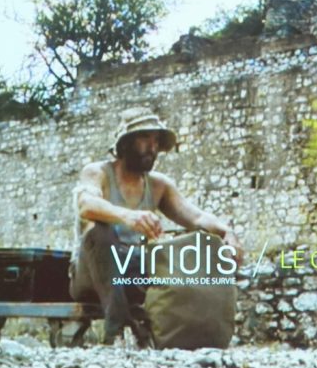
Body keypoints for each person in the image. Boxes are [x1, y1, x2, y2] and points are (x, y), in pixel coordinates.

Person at [70, 108, 243, 347]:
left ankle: (193, 333)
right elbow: (86, 204)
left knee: (186, 248)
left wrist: (227, 233)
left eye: (156, 141)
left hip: (135, 273)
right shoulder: (98, 173)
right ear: (125, 143)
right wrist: (126, 216)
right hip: (91, 275)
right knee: (101, 232)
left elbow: (196, 217)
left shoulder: (159, 185)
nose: (152, 147)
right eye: (144, 139)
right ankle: (116, 332)